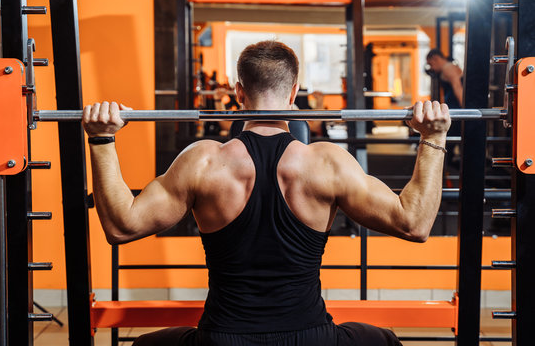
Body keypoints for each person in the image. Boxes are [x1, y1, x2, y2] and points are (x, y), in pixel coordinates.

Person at [83, 41, 450, 346]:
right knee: (383, 341)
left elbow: (122, 226)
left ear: (239, 93)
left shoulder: (203, 162)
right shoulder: (327, 163)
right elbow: (414, 223)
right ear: (294, 93)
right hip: (312, 338)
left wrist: (101, 139)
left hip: (222, 339)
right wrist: (432, 137)